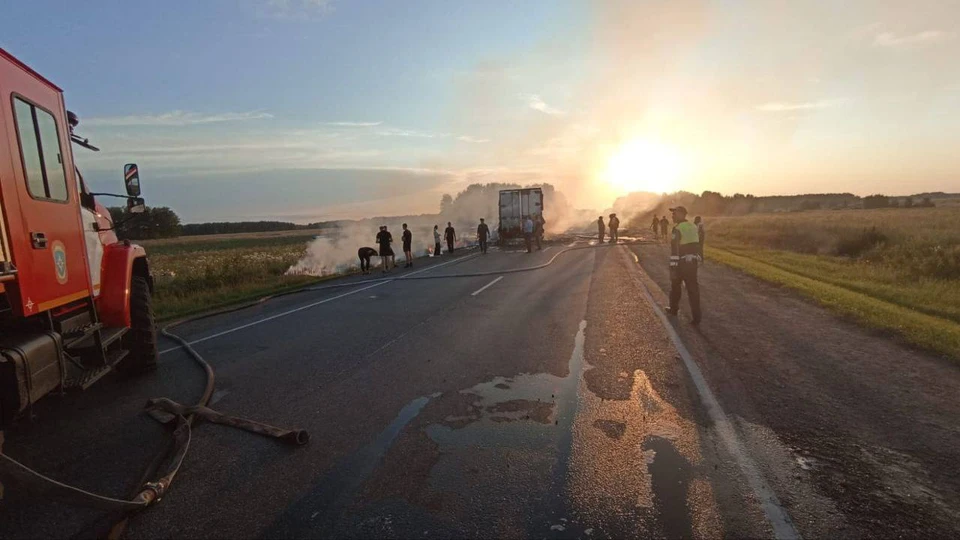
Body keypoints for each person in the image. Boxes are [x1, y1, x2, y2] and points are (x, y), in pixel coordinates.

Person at [665, 206, 702, 324]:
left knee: (675, 287)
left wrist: (673, 266)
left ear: (681, 214)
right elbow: (698, 244)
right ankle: (697, 317)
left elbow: (674, 249)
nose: (672, 216)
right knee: (693, 290)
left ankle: (673, 309)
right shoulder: (693, 226)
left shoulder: (677, 228)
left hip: (681, 263)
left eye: (674, 213)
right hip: (692, 262)